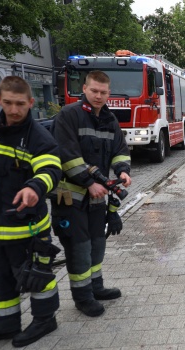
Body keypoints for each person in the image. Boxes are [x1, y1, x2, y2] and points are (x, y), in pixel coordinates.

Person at [0, 76, 62, 347]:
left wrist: (35, 187)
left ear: (30, 103)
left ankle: (45, 319)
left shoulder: (38, 137)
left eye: (20, 104)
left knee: (36, 276)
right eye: (8, 103)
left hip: (28, 225)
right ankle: (5, 323)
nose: (13, 110)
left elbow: (51, 170)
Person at [50, 70, 131, 317]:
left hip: (97, 196)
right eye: (93, 90)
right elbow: (67, 155)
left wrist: (123, 170)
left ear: (108, 93)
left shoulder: (109, 119)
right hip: (70, 195)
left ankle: (96, 287)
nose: (98, 96)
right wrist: (88, 183)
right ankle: (83, 297)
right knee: (79, 247)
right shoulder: (69, 115)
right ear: (84, 89)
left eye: (103, 92)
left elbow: (119, 149)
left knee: (97, 244)